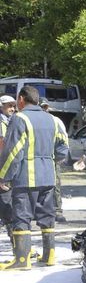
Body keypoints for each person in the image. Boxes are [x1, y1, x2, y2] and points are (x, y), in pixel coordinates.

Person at [0, 86, 69, 270]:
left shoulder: (20, 118)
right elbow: (63, 146)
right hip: (48, 177)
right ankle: (49, 256)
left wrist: (3, 176)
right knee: (47, 216)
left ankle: (22, 260)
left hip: (26, 178)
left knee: (21, 216)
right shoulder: (52, 119)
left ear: (22, 99)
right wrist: (53, 158)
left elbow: (13, 151)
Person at [40, 97, 68, 223]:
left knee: (55, 185)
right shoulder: (34, 121)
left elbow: (63, 139)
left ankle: (57, 211)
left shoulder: (55, 121)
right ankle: (40, 211)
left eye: (45, 107)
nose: (44, 109)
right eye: (41, 107)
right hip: (37, 158)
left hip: (52, 159)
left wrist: (61, 156)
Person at [0, 95, 16, 236]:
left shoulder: (13, 121)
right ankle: (18, 248)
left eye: (13, 106)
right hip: (3, 171)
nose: (11, 108)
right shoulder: (1, 123)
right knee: (7, 208)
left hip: (8, 169)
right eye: (8, 105)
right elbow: (2, 148)